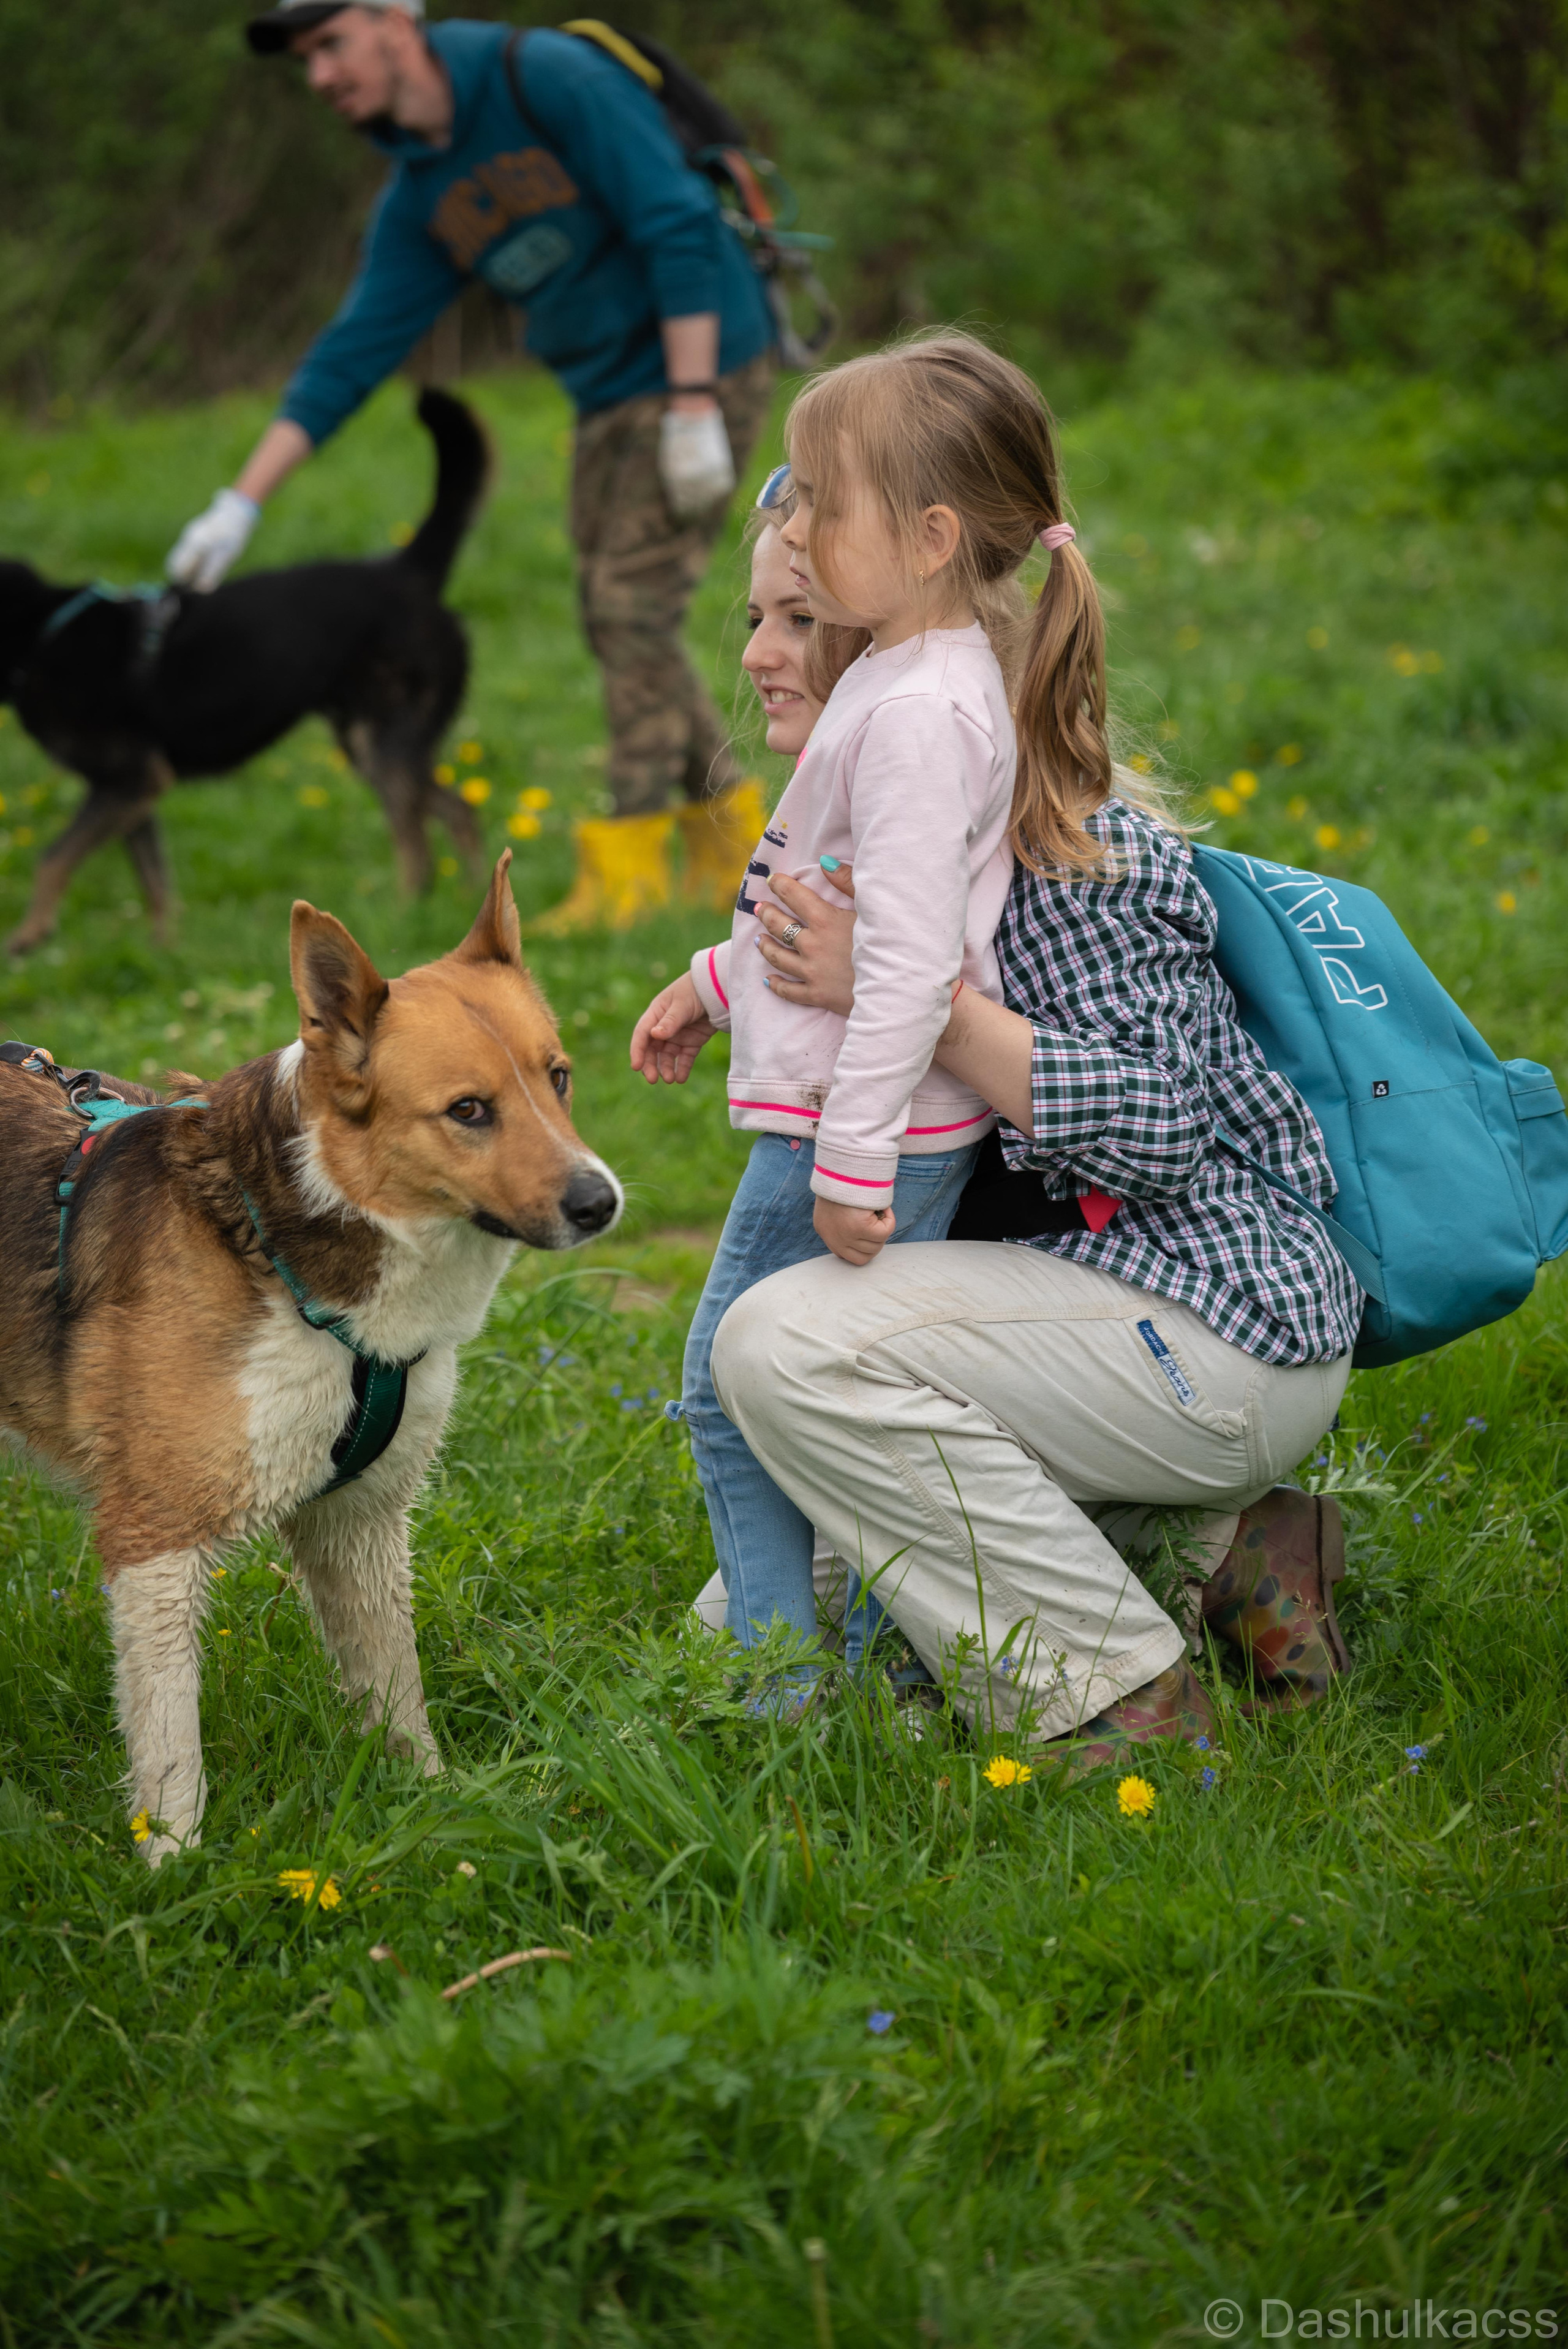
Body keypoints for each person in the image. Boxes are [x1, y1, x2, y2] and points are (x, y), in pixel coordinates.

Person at [707, 686, 1362, 1766]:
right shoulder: (877, 850)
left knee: (782, 1346)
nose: (758, 656)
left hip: (1214, 1318)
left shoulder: (1071, 851)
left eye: (798, 617)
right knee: (740, 1600)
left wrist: (911, 994)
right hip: (1069, 1327)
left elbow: (1162, 1131)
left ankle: (1112, 1694)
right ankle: (1228, 1549)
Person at [631, 334, 1087, 1673]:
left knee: (730, 1396)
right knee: (841, 1397)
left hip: (852, 1126)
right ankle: (891, 1663)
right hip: (861, 1110)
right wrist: (718, 982)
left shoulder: (916, 713)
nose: (802, 526)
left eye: (826, 503)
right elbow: (832, 890)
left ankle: (776, 1682)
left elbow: (903, 961)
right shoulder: (895, 679)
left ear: (932, 535)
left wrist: (848, 1156)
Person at [167, 0, 778, 930]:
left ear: (395, 20)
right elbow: (351, 352)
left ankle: (632, 868)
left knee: (627, 611)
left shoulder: (550, 80)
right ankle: (736, 845)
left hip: (707, 360)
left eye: (331, 44)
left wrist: (695, 407)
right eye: (304, 59)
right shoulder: (421, 195)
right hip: (608, 393)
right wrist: (237, 505)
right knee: (624, 616)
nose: (320, 76)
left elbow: (677, 223)